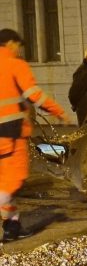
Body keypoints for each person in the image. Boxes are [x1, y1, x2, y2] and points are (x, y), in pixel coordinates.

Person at [0, 27, 70, 242]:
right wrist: (58, 111)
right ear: (11, 43)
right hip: (10, 133)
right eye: (19, 45)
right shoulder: (14, 64)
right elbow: (33, 94)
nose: (19, 49)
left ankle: (12, 227)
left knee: (4, 182)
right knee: (13, 180)